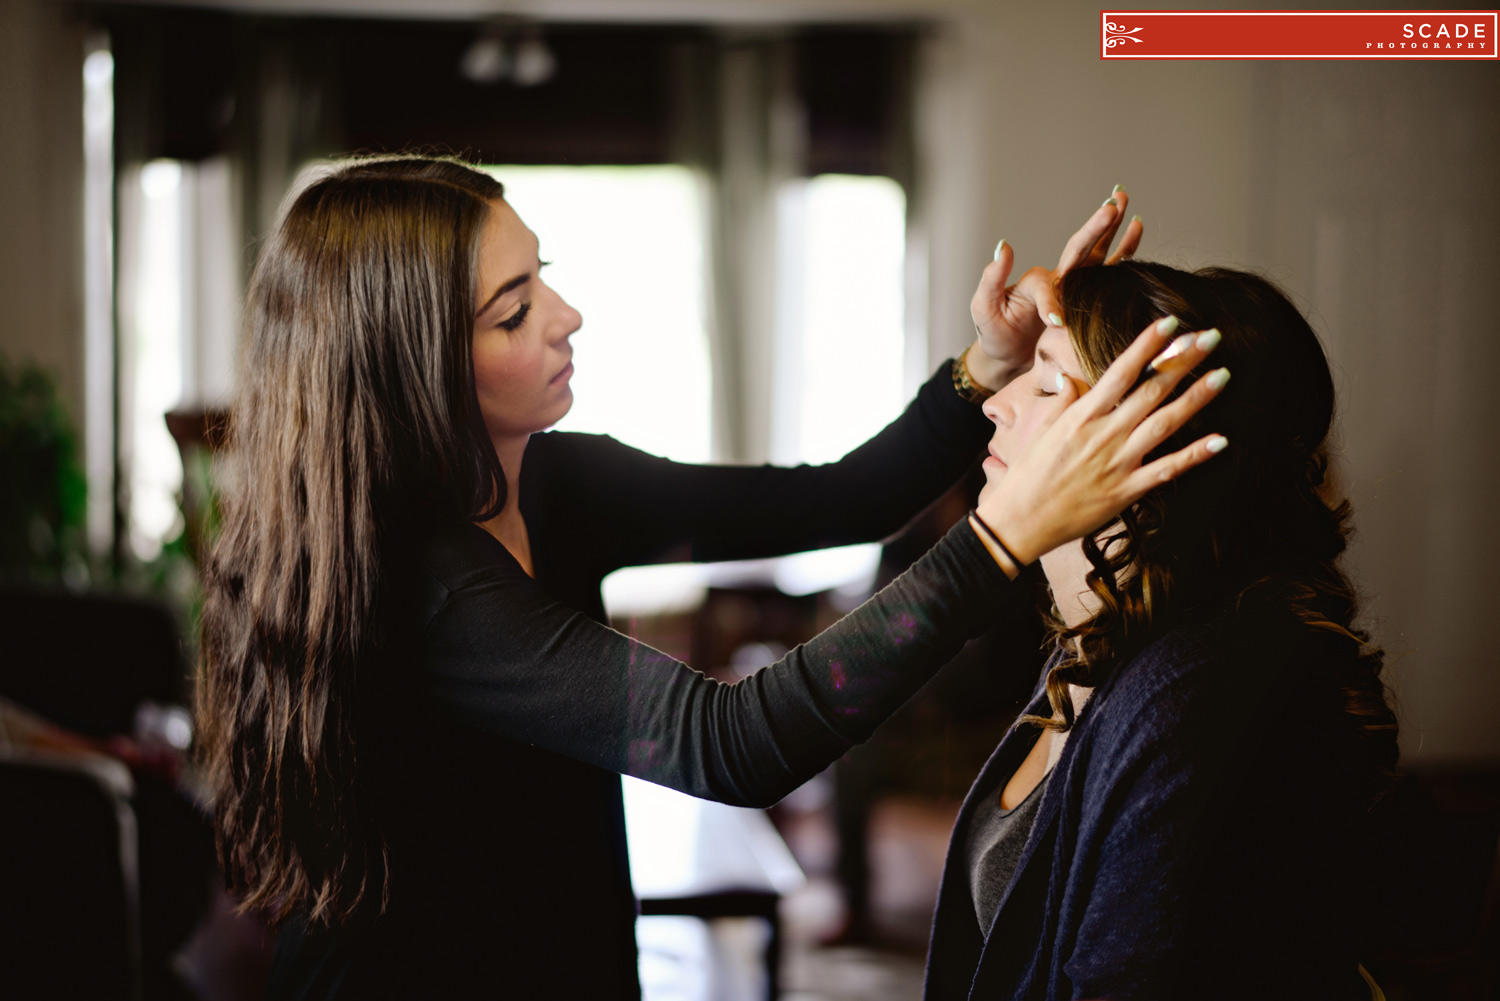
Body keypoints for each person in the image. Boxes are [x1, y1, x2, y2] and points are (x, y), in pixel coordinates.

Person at [194, 155, 1226, 999]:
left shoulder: (556, 480)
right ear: (411, 365)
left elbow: (833, 499)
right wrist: (1001, 536)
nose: (566, 315)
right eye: (512, 311)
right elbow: (732, 743)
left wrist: (984, 369)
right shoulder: (421, 586)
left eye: (541, 273)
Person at [925, 259, 1399, 1001]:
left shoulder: (1179, 701)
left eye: (1048, 383)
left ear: (1154, 450)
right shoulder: (1087, 643)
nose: (998, 404)